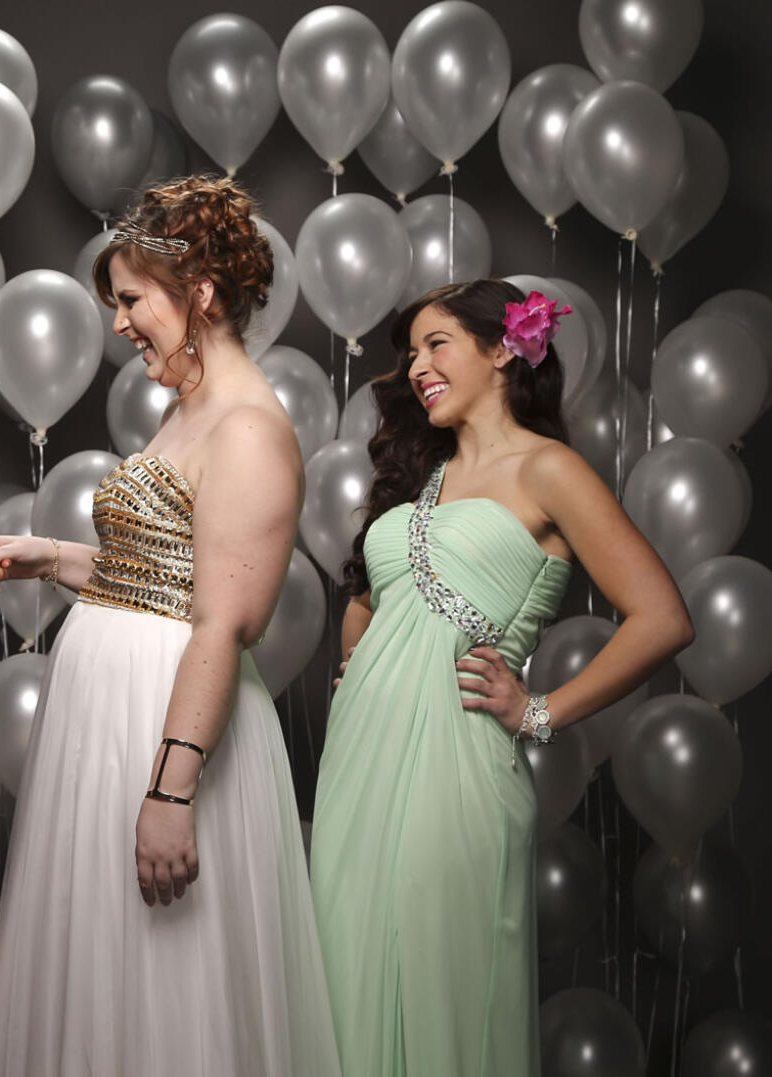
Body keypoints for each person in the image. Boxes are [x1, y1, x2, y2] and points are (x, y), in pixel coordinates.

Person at [0, 176, 341, 1076]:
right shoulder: (188, 406)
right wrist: (50, 556)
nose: (122, 324)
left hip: (169, 730)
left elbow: (219, 621)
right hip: (112, 718)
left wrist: (171, 795)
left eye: (133, 300)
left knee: (169, 982)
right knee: (101, 964)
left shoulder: (249, 428)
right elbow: (162, 579)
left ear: (199, 292)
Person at [310, 279, 694, 1076]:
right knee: (342, 1002)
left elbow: (663, 617)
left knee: (443, 1011)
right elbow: (367, 602)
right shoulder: (418, 481)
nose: (417, 367)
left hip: (454, 772)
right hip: (357, 770)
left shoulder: (549, 470)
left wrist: (540, 711)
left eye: (436, 343)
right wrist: (367, 662)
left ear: (501, 350)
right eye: (410, 354)